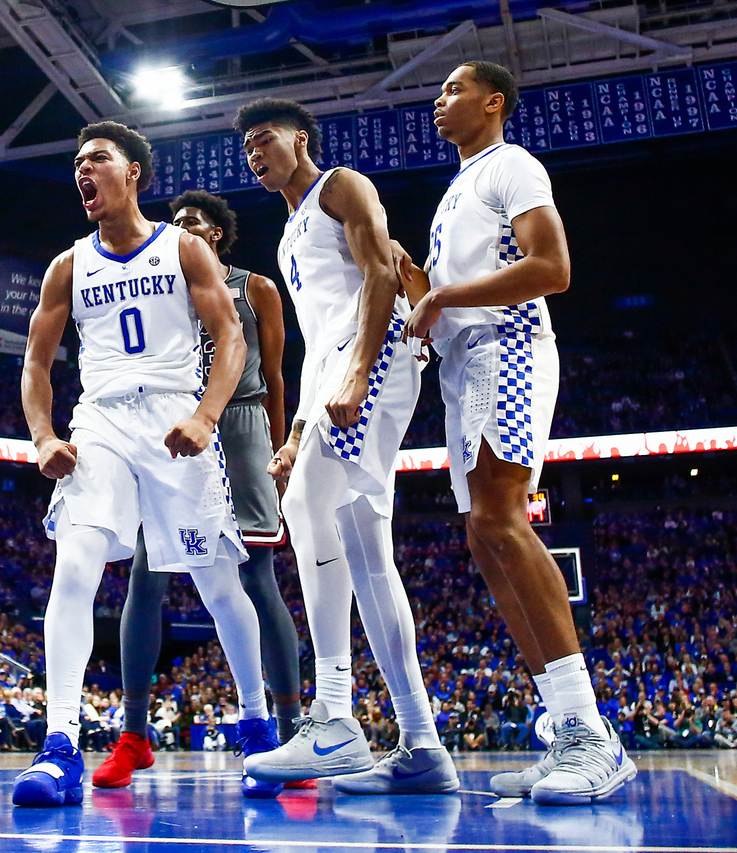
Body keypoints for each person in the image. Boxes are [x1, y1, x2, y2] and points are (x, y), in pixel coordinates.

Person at [15, 120, 280, 807]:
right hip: (99, 419)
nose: (83, 169)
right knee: (74, 565)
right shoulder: (68, 265)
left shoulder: (186, 248)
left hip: (172, 414)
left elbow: (230, 337)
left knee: (221, 581)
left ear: (133, 173)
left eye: (97, 158)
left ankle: (257, 728)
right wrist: (43, 435)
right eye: (77, 162)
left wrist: (206, 415)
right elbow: (36, 362)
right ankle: (60, 746)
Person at [392, 60, 635, 805]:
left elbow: (551, 267)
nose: (439, 100)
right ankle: (566, 727)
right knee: (481, 534)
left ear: (493, 102)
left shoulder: (512, 166)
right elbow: (436, 297)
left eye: (454, 89)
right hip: (465, 364)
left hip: (512, 345)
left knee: (501, 517)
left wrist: (443, 293)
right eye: (438, 92)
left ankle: (592, 733)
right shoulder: (454, 193)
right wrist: (396, 268)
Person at [232, 99, 457, 795]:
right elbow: (317, 340)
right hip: (338, 368)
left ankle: (333, 716)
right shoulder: (287, 234)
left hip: (380, 347)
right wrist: (298, 430)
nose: (254, 153)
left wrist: (360, 371)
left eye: (264, 139)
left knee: (307, 510)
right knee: (361, 543)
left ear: (299, 139)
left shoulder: (342, 186)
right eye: (246, 147)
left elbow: (382, 277)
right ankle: (421, 743)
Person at [95, 190, 300, 790]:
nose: (180, 228)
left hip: (240, 423)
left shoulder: (254, 287)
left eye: (192, 223)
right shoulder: (155, 284)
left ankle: (288, 736)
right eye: (175, 222)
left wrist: (281, 446)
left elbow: (277, 375)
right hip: (170, 424)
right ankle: (133, 733)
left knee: (256, 576)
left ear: (217, 235)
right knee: (145, 574)